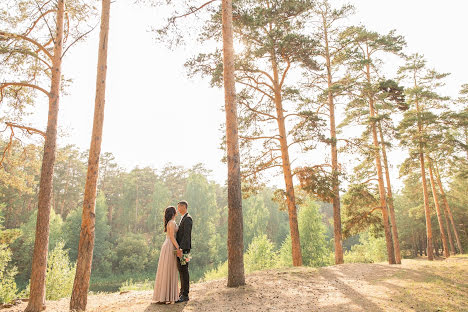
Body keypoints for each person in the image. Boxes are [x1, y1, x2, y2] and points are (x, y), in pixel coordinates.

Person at [152, 206, 180, 304]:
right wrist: (178, 248)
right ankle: (168, 297)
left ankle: (165, 295)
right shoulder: (171, 223)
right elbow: (172, 237)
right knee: (169, 269)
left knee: (167, 269)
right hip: (170, 246)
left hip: (167, 245)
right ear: (173, 213)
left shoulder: (169, 222)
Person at [175, 200, 192, 303]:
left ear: (184, 207)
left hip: (184, 249)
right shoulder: (182, 218)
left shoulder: (188, 219)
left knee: (184, 270)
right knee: (181, 270)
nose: (178, 209)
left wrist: (181, 248)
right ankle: (182, 292)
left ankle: (185, 295)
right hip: (181, 249)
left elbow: (186, 236)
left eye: (179, 207)